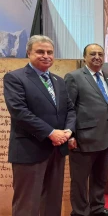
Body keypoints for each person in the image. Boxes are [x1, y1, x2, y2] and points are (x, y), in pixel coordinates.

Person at [3, 35, 76, 216]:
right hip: (29, 150)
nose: (46, 55)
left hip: (57, 150)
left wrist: (68, 131)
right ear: (28, 53)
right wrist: (51, 133)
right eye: (40, 51)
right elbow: (19, 112)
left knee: (52, 201)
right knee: (27, 204)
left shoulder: (58, 81)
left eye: (50, 52)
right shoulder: (15, 78)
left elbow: (70, 109)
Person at [64, 44, 108, 216]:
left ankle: (97, 208)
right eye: (92, 54)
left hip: (105, 139)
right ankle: (80, 212)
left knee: (99, 178)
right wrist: (70, 134)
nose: (97, 57)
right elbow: (67, 108)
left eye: (100, 54)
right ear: (84, 57)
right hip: (83, 140)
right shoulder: (74, 77)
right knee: (79, 181)